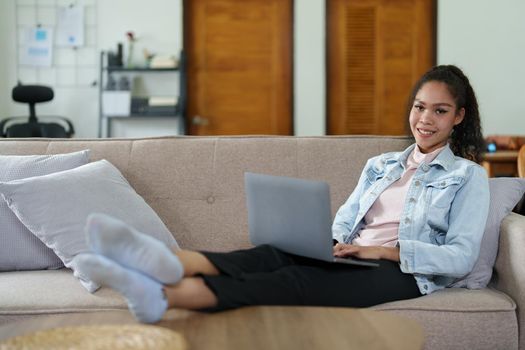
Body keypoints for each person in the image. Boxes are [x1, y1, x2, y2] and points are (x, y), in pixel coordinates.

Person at [73, 65, 490, 323]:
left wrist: (384, 252)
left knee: (292, 279)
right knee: (271, 254)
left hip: (403, 274)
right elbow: (345, 220)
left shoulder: (469, 176)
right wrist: (333, 244)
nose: (425, 119)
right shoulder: (381, 164)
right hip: (352, 255)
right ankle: (158, 260)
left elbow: (460, 256)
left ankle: (161, 296)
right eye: (420, 107)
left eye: (439, 110)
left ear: (458, 117)